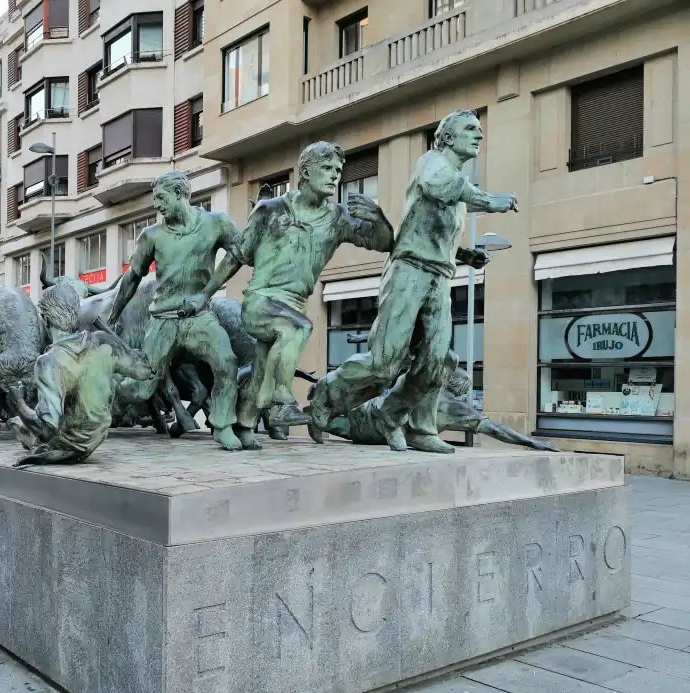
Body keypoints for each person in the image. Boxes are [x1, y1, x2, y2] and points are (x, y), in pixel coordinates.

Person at [308, 110, 518, 453]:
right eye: (470, 129)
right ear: (448, 138)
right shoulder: (433, 164)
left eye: (480, 131)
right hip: (409, 272)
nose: (479, 136)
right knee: (385, 361)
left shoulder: (456, 185)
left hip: (439, 276)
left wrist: (463, 255)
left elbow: (427, 227)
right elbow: (438, 189)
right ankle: (326, 392)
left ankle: (416, 426)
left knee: (435, 363)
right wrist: (489, 201)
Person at [184, 141, 395, 440]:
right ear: (306, 172)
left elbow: (383, 243)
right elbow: (236, 256)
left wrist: (378, 218)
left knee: (262, 367)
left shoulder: (337, 218)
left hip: (296, 303)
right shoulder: (270, 210)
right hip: (260, 300)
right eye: (327, 169)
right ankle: (281, 401)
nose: (335, 176)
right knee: (296, 330)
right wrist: (204, 295)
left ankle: (244, 424)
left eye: (338, 170)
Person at [106, 170, 247, 451]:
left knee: (227, 362)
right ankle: (99, 397)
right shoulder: (151, 236)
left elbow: (241, 252)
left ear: (180, 194)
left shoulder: (215, 224)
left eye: (161, 198)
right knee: (141, 386)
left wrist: (206, 292)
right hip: (162, 320)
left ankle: (222, 425)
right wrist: (112, 315)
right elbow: (132, 278)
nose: (156, 205)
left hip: (200, 317)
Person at [1, 283, 154, 466]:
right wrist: (122, 346)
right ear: (75, 313)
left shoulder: (48, 362)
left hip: (70, 443)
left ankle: (20, 426)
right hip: (98, 435)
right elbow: (144, 370)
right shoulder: (103, 341)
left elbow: (47, 429)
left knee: (19, 422)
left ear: (45, 319)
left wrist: (19, 404)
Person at [316, 350, 558, 452]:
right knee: (340, 426)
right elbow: (494, 428)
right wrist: (531, 442)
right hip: (371, 432)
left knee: (334, 421)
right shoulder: (454, 407)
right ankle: (316, 417)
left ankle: (314, 415)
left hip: (371, 413)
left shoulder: (419, 383)